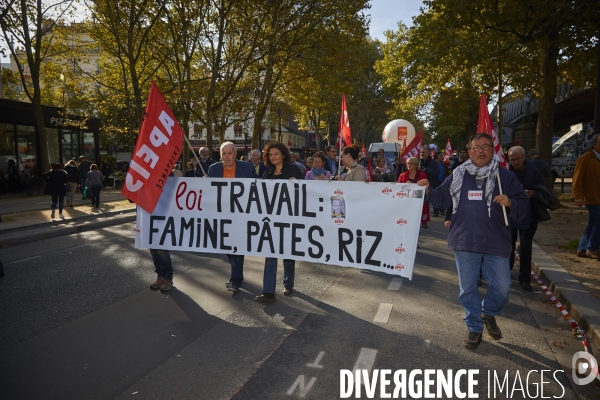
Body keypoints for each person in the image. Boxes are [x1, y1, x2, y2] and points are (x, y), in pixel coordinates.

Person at [417, 133, 529, 350]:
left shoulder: (504, 177)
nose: (481, 150)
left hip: (496, 242)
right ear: (469, 152)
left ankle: (488, 313)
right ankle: (474, 327)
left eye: (486, 146)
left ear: (493, 150)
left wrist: (511, 202)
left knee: (502, 288)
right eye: (476, 147)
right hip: (465, 240)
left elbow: (524, 209)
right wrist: (428, 190)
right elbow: (442, 198)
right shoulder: (458, 174)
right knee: (468, 289)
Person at [255, 141, 304, 302]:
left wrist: (297, 184)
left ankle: (288, 283)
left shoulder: (294, 170)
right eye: (270, 154)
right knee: (270, 254)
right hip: (271, 220)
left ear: (283, 155)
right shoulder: (267, 174)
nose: (273, 156)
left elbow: (305, 191)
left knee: (288, 254)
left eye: (276, 153)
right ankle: (268, 291)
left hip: (289, 219)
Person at [208, 142, 258, 292]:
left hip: (241, 214)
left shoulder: (247, 168)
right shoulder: (213, 169)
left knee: (237, 246)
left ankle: (235, 280)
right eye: (224, 153)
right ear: (220, 154)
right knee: (227, 245)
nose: (227, 156)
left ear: (235, 155)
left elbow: (258, 186)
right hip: (221, 214)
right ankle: (238, 275)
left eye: (230, 153)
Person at [507, 146, 545, 291]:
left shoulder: (534, 170)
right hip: (510, 213)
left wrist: (533, 193)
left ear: (524, 157)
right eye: (513, 159)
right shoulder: (506, 170)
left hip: (528, 214)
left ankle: (525, 278)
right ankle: (506, 273)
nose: (516, 162)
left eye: (518, 159)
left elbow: (543, 188)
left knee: (525, 247)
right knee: (508, 245)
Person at [573, 134, 600, 259]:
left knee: (592, 223)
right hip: (591, 197)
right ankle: (591, 248)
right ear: (594, 144)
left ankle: (582, 248)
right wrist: (578, 196)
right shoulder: (585, 158)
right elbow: (578, 178)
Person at [398, 157, 430, 229]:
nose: (408, 165)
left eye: (411, 164)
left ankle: (423, 222)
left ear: (416, 165)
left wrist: (413, 185)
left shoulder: (422, 175)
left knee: (421, 210)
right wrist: (406, 185)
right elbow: (399, 188)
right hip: (406, 198)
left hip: (418, 197)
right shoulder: (402, 175)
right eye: (407, 163)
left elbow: (425, 186)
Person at [419, 146, 441, 216]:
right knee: (423, 201)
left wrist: (426, 170)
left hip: (431, 183)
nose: (422, 154)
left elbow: (437, 172)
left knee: (433, 198)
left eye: (424, 152)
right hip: (420, 184)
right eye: (421, 152)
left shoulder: (434, 163)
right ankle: (424, 215)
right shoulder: (418, 161)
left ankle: (436, 212)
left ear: (428, 153)